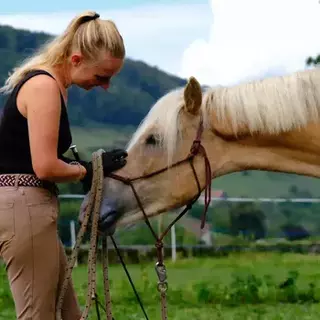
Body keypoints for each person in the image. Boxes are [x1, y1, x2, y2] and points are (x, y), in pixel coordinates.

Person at [0, 10, 128, 320]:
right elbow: (44, 167)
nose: (106, 86)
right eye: (102, 77)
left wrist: (81, 167)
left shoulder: (50, 84)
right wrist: (87, 170)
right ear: (75, 59)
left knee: (69, 314)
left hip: (27, 207)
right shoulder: (45, 88)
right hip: (25, 208)